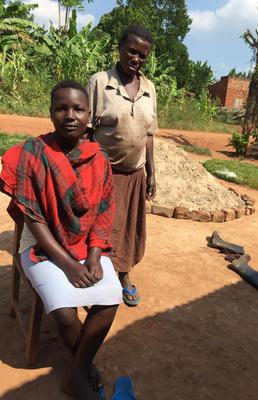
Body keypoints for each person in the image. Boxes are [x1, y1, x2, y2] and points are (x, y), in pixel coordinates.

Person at [0, 80, 123, 400]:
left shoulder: (99, 159)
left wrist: (95, 255)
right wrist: (69, 265)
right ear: (51, 112)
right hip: (42, 246)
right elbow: (35, 220)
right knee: (64, 311)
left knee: (111, 298)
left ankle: (78, 369)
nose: (70, 115)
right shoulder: (33, 153)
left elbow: (104, 213)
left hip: (86, 242)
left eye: (78, 109)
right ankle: (82, 371)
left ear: (89, 116)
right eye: (61, 108)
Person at [87, 25, 157, 307]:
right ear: (119, 48)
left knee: (129, 229)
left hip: (135, 174)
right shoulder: (99, 82)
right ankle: (97, 282)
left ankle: (123, 276)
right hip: (105, 175)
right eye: (132, 51)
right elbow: (86, 131)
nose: (136, 59)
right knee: (101, 230)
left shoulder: (150, 88)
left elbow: (149, 134)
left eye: (142, 55)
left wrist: (152, 174)